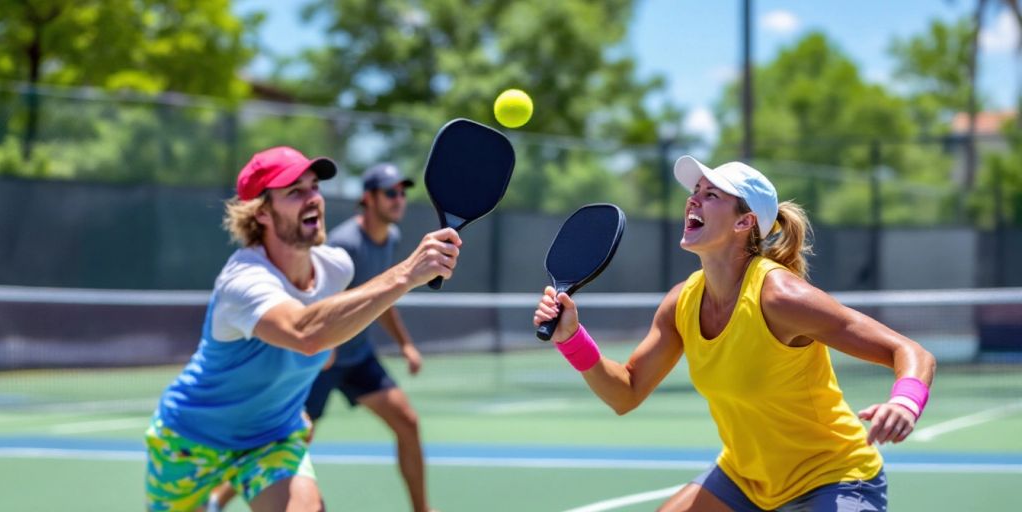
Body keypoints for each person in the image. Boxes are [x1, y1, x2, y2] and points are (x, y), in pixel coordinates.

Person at [533, 155, 936, 512]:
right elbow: (626, 392)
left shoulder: (782, 297)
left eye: (711, 195)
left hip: (834, 476)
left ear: (744, 222)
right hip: (745, 478)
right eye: (695, 191)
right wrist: (571, 338)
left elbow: (909, 351)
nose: (693, 199)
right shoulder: (682, 303)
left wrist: (904, 403)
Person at [145, 146, 461, 512]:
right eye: (295, 192)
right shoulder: (243, 280)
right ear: (261, 212)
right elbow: (305, 334)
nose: (313, 198)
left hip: (272, 439)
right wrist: (407, 273)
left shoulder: (336, 268)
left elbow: (326, 335)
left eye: (314, 187)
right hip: (190, 439)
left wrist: (296, 398)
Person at [304, 162, 432, 512]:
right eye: (390, 192)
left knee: (407, 422)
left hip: (358, 357)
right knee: (290, 444)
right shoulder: (343, 245)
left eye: (402, 192)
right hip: (321, 363)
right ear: (369, 199)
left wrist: (405, 343)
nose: (399, 199)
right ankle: (215, 501)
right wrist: (321, 348)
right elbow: (319, 303)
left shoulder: (389, 238)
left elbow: (383, 298)